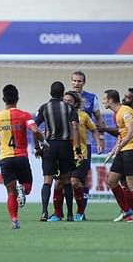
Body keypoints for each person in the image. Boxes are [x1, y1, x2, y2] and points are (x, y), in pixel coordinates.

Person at [0, 84, 47, 229]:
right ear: (17, 98)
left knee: (10, 192)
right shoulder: (25, 115)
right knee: (27, 188)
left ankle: (14, 219)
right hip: (21, 157)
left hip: (5, 158)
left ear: (3, 99)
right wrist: (43, 141)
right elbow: (34, 129)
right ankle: (23, 189)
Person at [51, 91, 103, 222]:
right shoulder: (58, 116)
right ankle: (57, 214)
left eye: (69, 101)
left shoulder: (83, 116)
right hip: (62, 154)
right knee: (58, 184)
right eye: (65, 100)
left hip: (80, 154)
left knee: (75, 183)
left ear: (76, 103)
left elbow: (94, 129)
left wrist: (98, 143)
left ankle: (80, 212)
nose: (66, 102)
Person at [35, 81, 82, 222]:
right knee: (67, 180)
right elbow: (75, 127)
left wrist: (37, 146)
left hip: (49, 146)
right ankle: (69, 214)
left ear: (50, 92)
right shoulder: (69, 108)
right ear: (63, 94)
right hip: (65, 146)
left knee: (47, 180)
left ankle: (44, 212)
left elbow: (34, 127)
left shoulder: (44, 107)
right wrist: (77, 148)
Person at [99, 88, 133, 222]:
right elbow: (122, 134)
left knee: (132, 183)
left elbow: (132, 131)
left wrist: (121, 145)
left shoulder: (124, 111)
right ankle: (127, 211)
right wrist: (113, 151)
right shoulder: (118, 113)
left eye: (104, 99)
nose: (103, 101)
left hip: (132, 151)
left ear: (111, 100)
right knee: (112, 180)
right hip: (123, 150)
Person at [71, 71, 105, 216]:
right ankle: (61, 212)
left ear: (84, 82)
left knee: (83, 178)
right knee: (67, 179)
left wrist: (101, 138)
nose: (76, 83)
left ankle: (81, 211)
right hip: (68, 144)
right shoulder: (66, 98)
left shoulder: (92, 98)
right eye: (74, 81)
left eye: (79, 81)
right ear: (71, 82)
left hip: (86, 144)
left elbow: (98, 118)